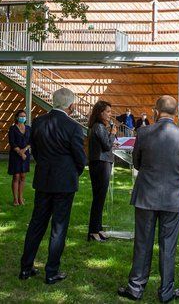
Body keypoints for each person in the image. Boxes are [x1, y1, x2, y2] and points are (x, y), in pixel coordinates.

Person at [117, 95, 179, 303]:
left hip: (147, 195)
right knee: (169, 245)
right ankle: (166, 291)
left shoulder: (143, 132)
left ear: (155, 111)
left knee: (143, 242)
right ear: (176, 113)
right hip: (174, 196)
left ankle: (135, 288)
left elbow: (136, 163)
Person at [19, 88, 87, 285]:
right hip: (64, 182)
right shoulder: (73, 127)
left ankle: (26, 267)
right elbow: (80, 157)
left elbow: (37, 152)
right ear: (71, 106)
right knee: (58, 226)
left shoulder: (38, 122)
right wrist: (74, 171)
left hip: (44, 178)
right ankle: (51, 271)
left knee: (36, 223)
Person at [87, 100, 118, 243]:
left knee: (100, 198)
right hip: (101, 164)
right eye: (108, 112)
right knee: (99, 199)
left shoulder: (99, 127)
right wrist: (112, 134)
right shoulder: (98, 126)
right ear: (100, 113)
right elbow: (106, 146)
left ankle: (98, 228)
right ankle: (93, 231)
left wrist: (112, 140)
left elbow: (105, 144)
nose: (110, 115)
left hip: (102, 162)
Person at [8, 110, 31, 206]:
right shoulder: (12, 128)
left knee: (23, 176)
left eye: (24, 116)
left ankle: (21, 197)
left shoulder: (29, 128)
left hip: (26, 155)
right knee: (16, 176)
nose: (23, 118)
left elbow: (31, 141)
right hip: (15, 155)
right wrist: (20, 153)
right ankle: (15, 199)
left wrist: (24, 150)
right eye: (21, 116)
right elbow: (12, 142)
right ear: (17, 117)